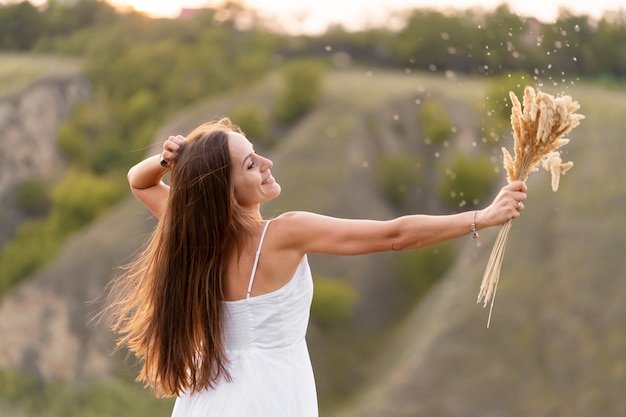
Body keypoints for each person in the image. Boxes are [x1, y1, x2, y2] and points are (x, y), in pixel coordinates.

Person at [104, 117, 526, 417]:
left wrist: (165, 160)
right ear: (224, 191)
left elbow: (138, 181)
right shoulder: (285, 233)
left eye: (257, 153)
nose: (267, 163)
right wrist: (481, 217)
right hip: (270, 398)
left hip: (209, 401)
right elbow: (392, 235)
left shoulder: (196, 238)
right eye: (251, 165)